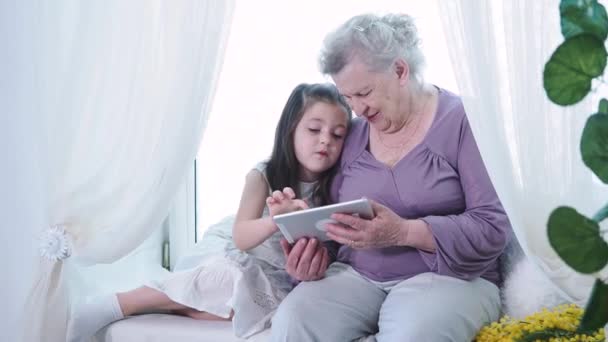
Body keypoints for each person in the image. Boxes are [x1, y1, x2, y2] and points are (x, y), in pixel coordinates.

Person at [270, 13, 512, 342]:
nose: (357, 110)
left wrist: (403, 232)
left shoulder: (465, 120)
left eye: (365, 92)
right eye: (348, 97)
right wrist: (313, 256)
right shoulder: (353, 134)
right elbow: (337, 225)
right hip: (358, 276)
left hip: (448, 277)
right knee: (293, 321)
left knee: (414, 334)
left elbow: (492, 228)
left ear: (400, 70)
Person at [66, 82, 351, 341]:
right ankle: (119, 303)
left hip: (274, 271)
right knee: (223, 281)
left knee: (245, 310)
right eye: (314, 130)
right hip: (240, 252)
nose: (326, 140)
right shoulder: (264, 175)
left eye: (337, 135)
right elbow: (242, 237)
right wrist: (275, 221)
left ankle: (172, 307)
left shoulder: (337, 184)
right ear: (291, 130)